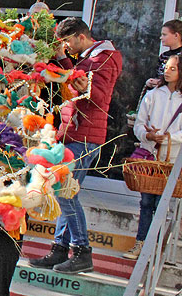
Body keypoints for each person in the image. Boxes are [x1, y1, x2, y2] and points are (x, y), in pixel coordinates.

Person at [29, 18, 122, 274]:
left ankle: (82, 251)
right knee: (65, 192)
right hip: (75, 133)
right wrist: (62, 60)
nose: (67, 47)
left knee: (65, 192)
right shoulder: (89, 57)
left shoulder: (104, 58)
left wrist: (85, 86)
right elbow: (74, 78)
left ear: (81, 37)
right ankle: (60, 249)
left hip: (85, 136)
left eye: (68, 42)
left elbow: (101, 97)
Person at [128, 54, 182, 260]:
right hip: (150, 155)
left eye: (173, 69)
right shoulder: (153, 95)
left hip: (172, 159)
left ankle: (155, 247)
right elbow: (139, 124)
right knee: (146, 202)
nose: (167, 72)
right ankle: (141, 243)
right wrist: (148, 135)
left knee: (162, 204)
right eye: (166, 68)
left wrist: (167, 138)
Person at [145, 19, 182, 89]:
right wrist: (151, 82)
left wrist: (162, 83)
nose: (161, 38)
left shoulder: (180, 57)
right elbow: (158, 75)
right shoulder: (163, 56)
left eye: (164, 35)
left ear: (176, 35)